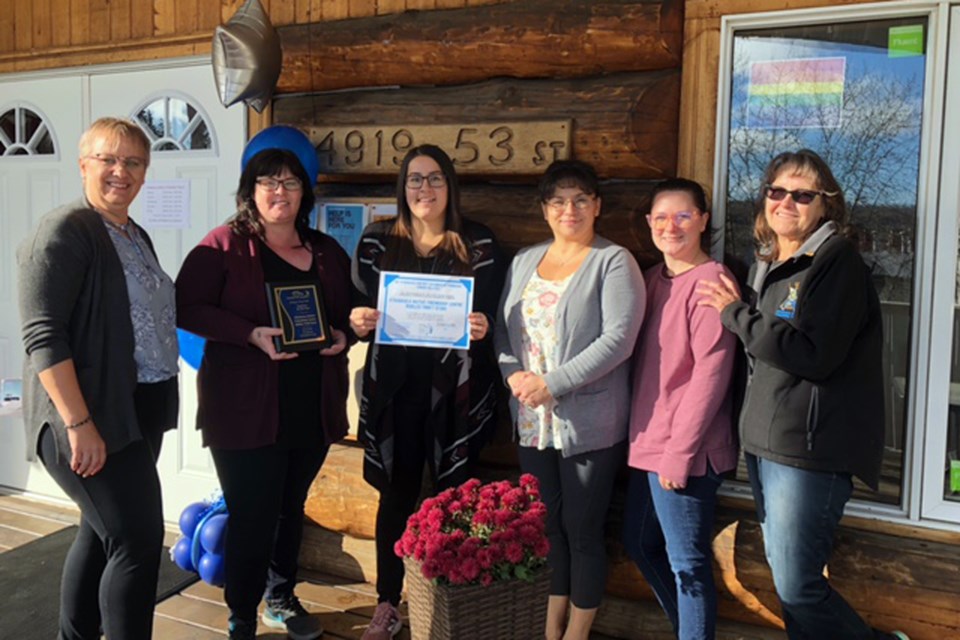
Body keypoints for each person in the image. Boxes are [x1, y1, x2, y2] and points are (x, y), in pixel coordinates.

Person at [696, 149, 910, 640]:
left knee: (798, 586)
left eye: (802, 194)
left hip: (810, 449)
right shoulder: (773, 263)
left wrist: (735, 313)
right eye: (777, 191)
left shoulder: (836, 263)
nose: (786, 202)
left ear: (825, 205)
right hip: (769, 444)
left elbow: (812, 353)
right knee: (788, 580)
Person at [176, 141, 352, 640]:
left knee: (289, 509)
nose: (280, 191)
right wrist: (247, 333)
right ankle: (241, 614)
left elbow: (349, 311)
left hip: (309, 410)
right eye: (269, 181)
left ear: (305, 193)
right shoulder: (223, 246)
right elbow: (185, 307)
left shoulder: (324, 251)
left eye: (291, 182)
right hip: (243, 413)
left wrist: (345, 333)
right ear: (250, 191)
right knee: (252, 516)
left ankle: (280, 596)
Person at [17, 117, 179, 640]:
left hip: (136, 410)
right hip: (89, 417)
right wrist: (79, 422)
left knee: (100, 532)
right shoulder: (66, 229)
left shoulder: (134, 234)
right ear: (83, 164)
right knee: (136, 541)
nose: (120, 171)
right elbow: (43, 335)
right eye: (108, 159)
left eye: (133, 162)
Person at [349, 144, 505, 640]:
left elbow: (495, 312)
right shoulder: (376, 242)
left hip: (455, 391)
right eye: (415, 180)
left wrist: (482, 326)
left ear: (450, 186)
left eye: (435, 179)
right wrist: (358, 320)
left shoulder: (478, 243)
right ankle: (387, 603)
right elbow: (355, 308)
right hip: (395, 390)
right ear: (402, 188)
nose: (424, 189)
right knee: (395, 496)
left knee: (453, 493)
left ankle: (447, 601)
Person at [495, 159, 645, 640]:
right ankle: (549, 626)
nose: (570, 209)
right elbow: (504, 329)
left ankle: (576, 634)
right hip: (531, 420)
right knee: (548, 527)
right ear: (544, 210)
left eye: (581, 199)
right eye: (559, 200)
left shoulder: (613, 261)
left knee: (582, 530)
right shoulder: (524, 261)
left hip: (589, 424)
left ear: (597, 206)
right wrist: (513, 374)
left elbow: (619, 340)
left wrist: (552, 383)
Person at [622, 178, 738, 640]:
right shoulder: (653, 280)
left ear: (704, 220)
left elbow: (711, 376)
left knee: (687, 564)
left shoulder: (711, 282)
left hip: (685, 451)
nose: (672, 226)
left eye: (684, 215)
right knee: (641, 543)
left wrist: (680, 453)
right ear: (650, 223)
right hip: (648, 445)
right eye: (662, 217)